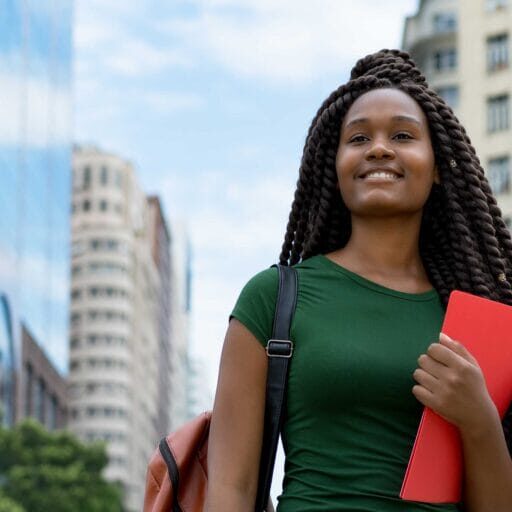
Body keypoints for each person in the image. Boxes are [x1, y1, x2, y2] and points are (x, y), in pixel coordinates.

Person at [205, 49, 512, 511]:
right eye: (359, 137)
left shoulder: (479, 320)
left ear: (440, 168)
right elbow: (230, 488)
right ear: (334, 166)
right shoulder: (274, 298)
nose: (380, 148)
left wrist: (479, 419)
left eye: (403, 135)